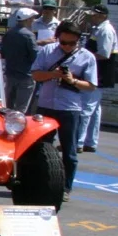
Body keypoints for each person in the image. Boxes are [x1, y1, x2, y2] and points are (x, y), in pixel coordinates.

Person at [31, 19, 97, 201]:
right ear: (58, 38)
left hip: (69, 108)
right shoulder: (47, 51)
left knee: (69, 150)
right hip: (46, 105)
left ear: (78, 40)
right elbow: (35, 74)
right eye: (63, 42)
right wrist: (53, 74)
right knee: (40, 148)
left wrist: (72, 80)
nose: (67, 47)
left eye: (72, 43)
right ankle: (37, 183)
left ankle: (65, 188)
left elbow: (91, 85)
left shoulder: (87, 57)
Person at [79, 4, 118, 152]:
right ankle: (90, 142)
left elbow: (104, 54)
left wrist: (84, 58)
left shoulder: (105, 30)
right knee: (94, 111)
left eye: (94, 15)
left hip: (98, 74)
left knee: (86, 109)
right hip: (98, 73)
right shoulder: (100, 29)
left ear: (102, 16)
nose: (92, 17)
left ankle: (78, 142)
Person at [1, 6, 38, 112]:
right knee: (21, 108)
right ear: (28, 19)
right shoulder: (29, 35)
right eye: (32, 18)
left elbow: (3, 53)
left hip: (10, 73)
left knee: (7, 106)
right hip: (25, 75)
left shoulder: (9, 33)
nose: (33, 21)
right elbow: (34, 56)